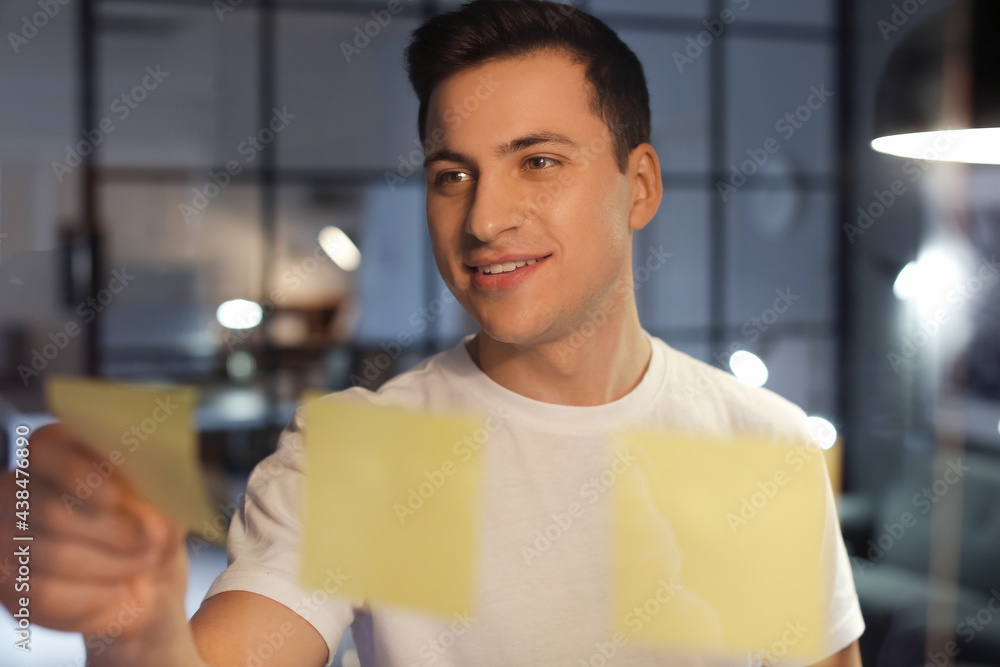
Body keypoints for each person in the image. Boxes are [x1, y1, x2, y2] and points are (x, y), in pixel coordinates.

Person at [0, 1, 865, 665]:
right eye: (453, 174)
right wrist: (135, 620)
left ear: (638, 186)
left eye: (539, 161)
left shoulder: (765, 447)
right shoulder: (374, 455)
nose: (484, 217)